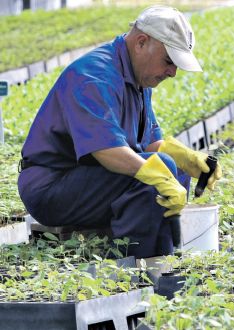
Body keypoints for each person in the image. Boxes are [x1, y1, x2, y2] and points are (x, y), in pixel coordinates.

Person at [17, 5, 222, 258]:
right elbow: (106, 150)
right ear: (141, 42)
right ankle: (133, 263)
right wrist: (158, 174)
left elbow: (148, 144)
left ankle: (165, 256)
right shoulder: (93, 76)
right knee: (156, 173)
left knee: (171, 166)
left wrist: (188, 158)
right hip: (51, 188)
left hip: (89, 180)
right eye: (169, 61)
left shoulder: (138, 77)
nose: (172, 72)